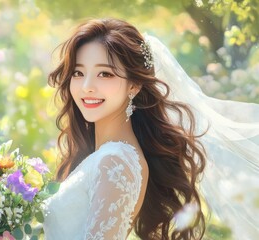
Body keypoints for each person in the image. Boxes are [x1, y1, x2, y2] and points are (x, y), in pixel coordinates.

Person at [42, 18, 259, 240]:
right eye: (78, 73)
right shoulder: (109, 157)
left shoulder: (115, 161)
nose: (87, 86)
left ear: (134, 85)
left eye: (105, 73)